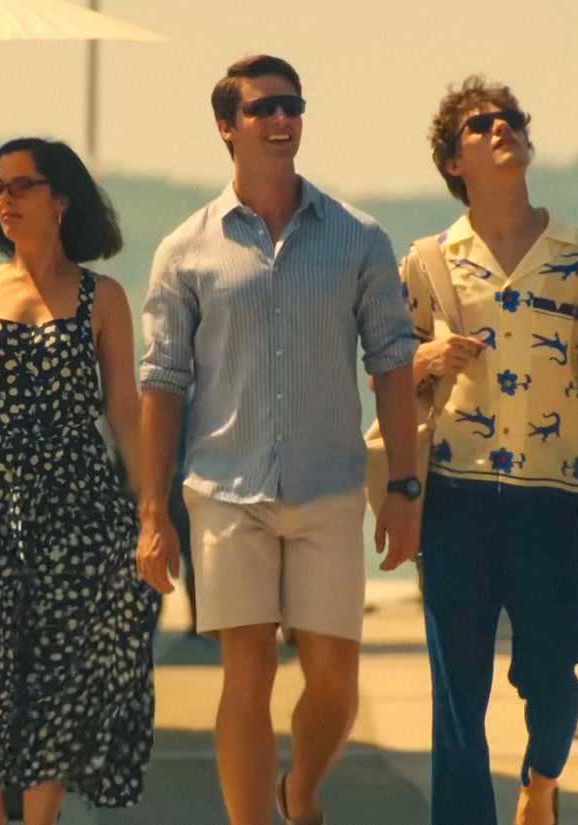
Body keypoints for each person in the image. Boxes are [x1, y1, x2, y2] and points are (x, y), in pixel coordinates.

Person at [135, 54, 420, 825]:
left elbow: (394, 365)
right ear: (228, 128)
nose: (281, 119)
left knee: (335, 677)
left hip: (329, 485)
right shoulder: (185, 250)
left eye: (291, 105)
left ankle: (302, 789)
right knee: (247, 674)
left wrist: (403, 487)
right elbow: (160, 384)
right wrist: (153, 515)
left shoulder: (359, 237)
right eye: (263, 108)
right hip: (225, 491)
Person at [406, 76, 578, 825]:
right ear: (454, 161)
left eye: (509, 119)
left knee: (555, 677)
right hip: (454, 495)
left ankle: (542, 780)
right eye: (481, 123)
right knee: (458, 693)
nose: (501, 127)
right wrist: (428, 357)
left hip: (550, 495)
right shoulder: (428, 262)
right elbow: (391, 379)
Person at [0, 137, 158, 825]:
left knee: (59, 674)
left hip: (78, 502)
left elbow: (126, 413)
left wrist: (151, 511)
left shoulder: (101, 296)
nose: (5, 199)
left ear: (62, 198)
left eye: (22, 185)